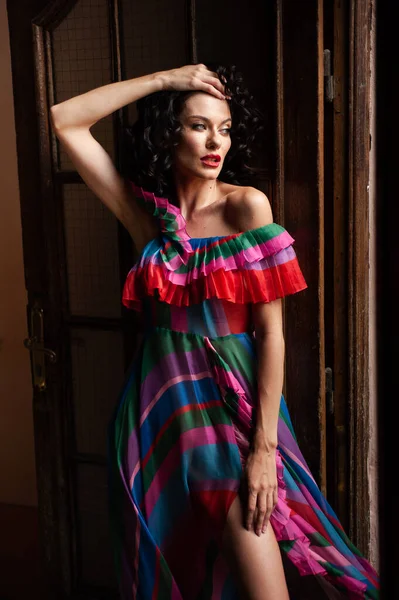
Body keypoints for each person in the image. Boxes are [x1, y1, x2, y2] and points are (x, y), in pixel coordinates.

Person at [50, 63, 379, 600]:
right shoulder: (147, 219)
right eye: (199, 125)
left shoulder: (246, 206)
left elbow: (271, 334)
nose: (215, 142)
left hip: (231, 418)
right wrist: (163, 81)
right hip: (157, 415)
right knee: (176, 569)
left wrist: (262, 452)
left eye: (224, 129)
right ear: (168, 133)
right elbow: (65, 120)